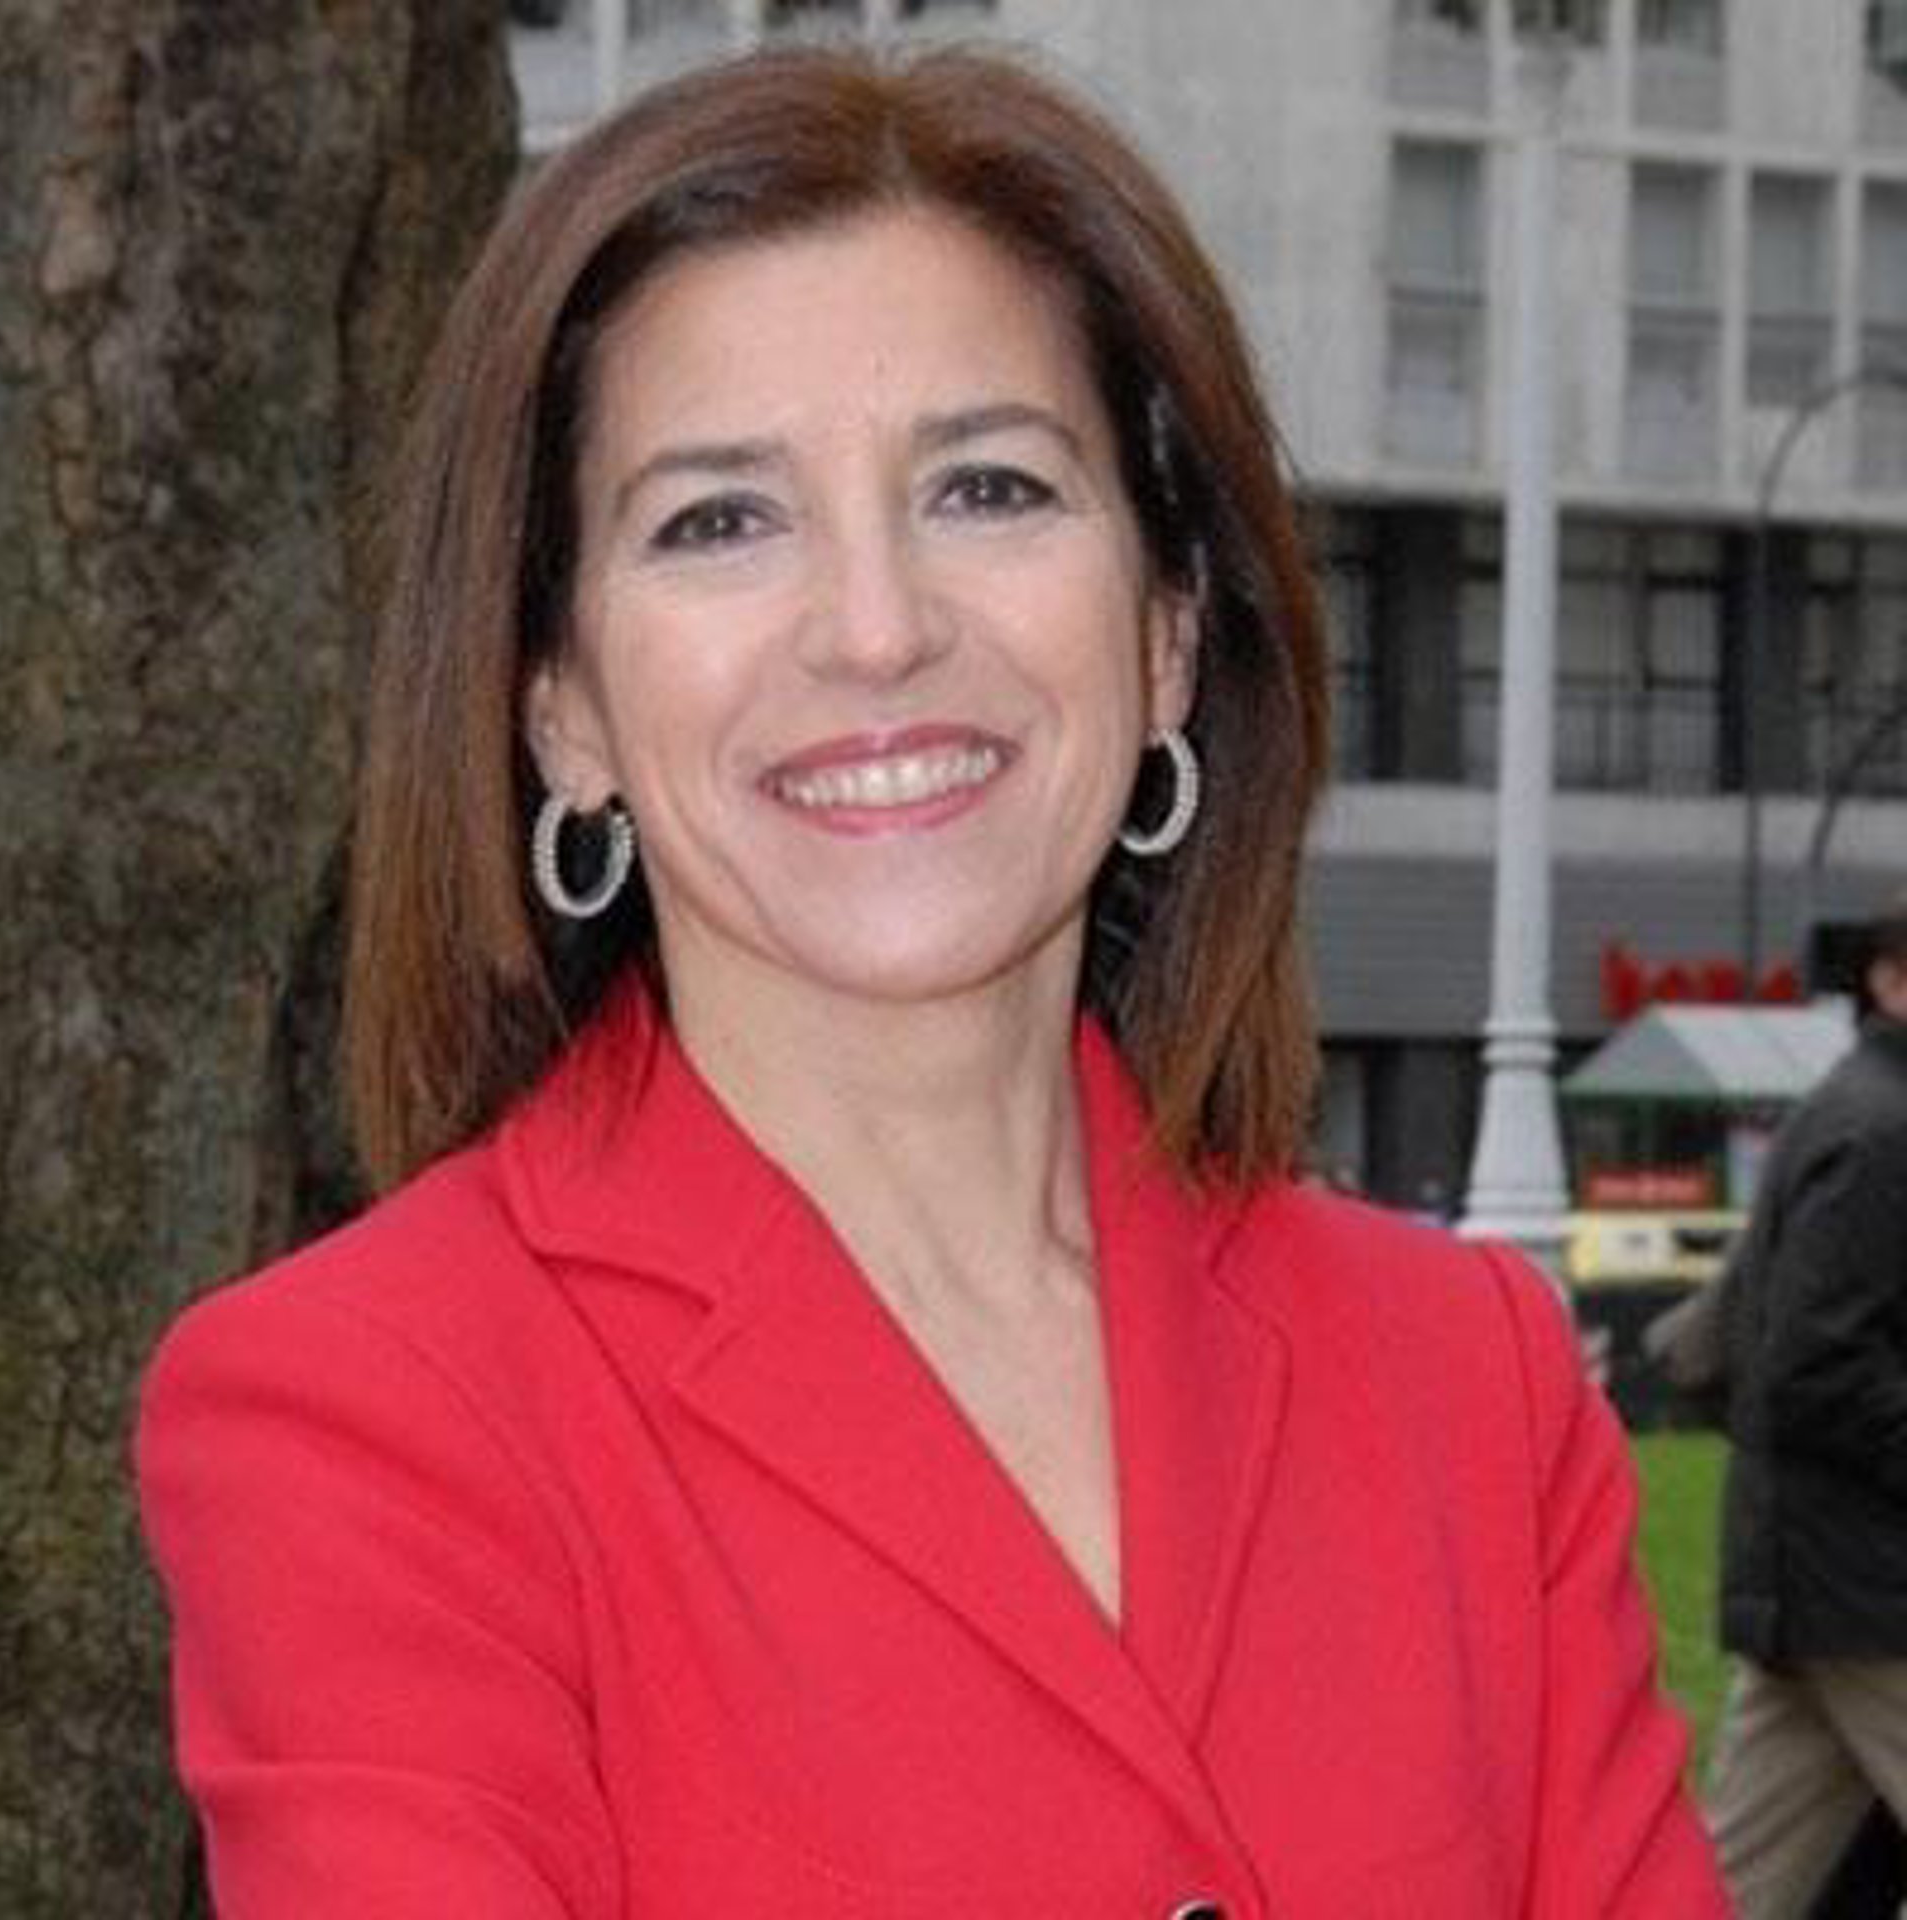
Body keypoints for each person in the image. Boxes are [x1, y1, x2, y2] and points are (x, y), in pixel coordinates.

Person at [135, 45, 1728, 1916]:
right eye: (720, 521)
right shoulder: (365, 1414)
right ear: (559, 705)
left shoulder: (1471, 1381)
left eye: (987, 487)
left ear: (1165, 631)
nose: (879, 629)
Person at [1708, 896, 1907, 1917]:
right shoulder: (1881, 1130)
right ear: (1890, 982)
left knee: (1730, 1886)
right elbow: (1815, 1364)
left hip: (1823, 1579)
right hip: (1868, 1587)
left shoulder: (1865, 1112)